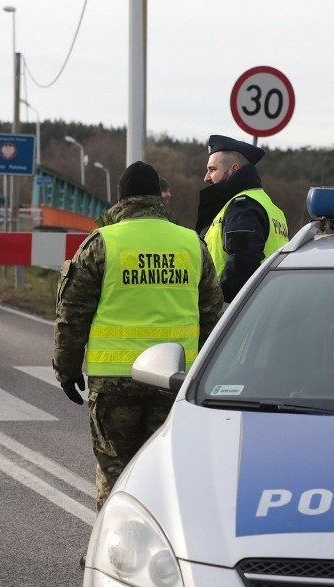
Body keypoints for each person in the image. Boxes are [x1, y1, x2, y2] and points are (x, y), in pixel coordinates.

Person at [54, 160, 224, 512]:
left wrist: (66, 369)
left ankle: (113, 553)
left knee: (115, 472)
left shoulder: (102, 243)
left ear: (122, 199)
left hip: (115, 380)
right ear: (157, 197)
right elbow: (212, 314)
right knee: (164, 473)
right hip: (175, 381)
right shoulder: (191, 243)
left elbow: (72, 315)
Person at [196, 134, 289, 303]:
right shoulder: (270, 206)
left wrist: (217, 302)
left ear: (234, 169)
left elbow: (243, 263)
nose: (206, 177)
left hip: (238, 311)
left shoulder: (242, 207)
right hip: (268, 303)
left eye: (213, 169)